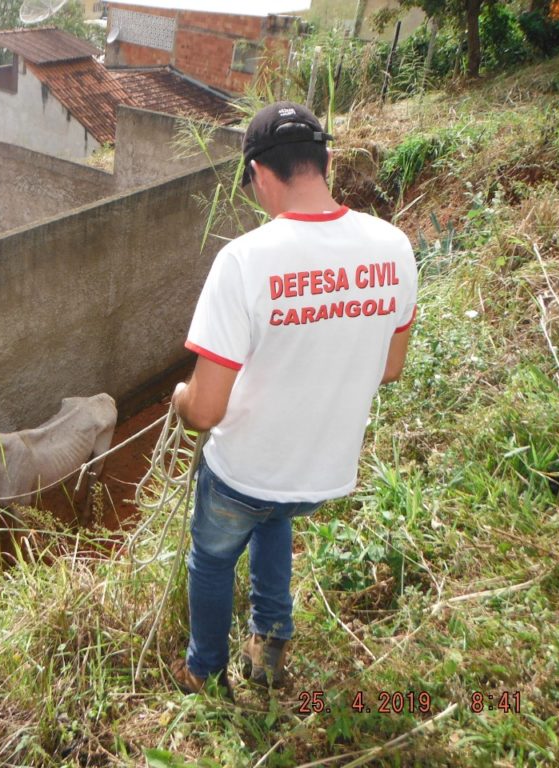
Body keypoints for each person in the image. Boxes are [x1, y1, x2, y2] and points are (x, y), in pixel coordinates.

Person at [170, 102, 418, 700]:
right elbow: (390, 367)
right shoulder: (394, 246)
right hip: (322, 475)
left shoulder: (243, 261)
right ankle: (271, 639)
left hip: (244, 473)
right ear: (326, 160)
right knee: (273, 513)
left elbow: (204, 411)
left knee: (213, 557)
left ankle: (205, 670)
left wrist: (179, 398)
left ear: (258, 173)